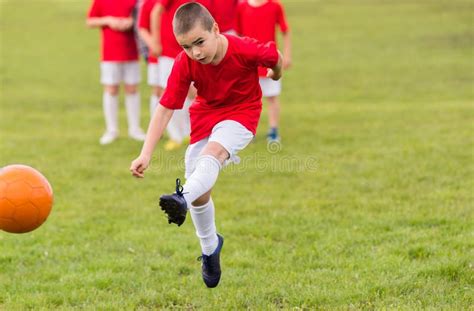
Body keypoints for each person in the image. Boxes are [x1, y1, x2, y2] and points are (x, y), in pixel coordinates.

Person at [130, 2, 282, 288]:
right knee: (201, 190)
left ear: (215, 29)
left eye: (200, 42)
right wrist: (145, 153)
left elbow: (274, 57)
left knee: (212, 155)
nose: (195, 52)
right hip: (204, 118)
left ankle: (181, 198)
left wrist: (276, 74)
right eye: (187, 46)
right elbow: (164, 109)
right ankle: (210, 247)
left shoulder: (244, 49)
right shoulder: (185, 62)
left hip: (242, 114)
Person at [148, 0, 211, 151]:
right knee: (170, 93)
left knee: (197, 92)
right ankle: (175, 136)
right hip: (170, 52)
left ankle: (194, 133)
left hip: (196, 50)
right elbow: (155, 12)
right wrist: (156, 40)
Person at [87, 0, 147, 145]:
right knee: (111, 89)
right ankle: (111, 130)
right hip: (110, 52)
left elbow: (142, 16)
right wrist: (108, 20)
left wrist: (130, 22)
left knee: (132, 89)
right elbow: (90, 21)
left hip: (131, 51)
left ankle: (135, 128)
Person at [236, 0, 291, 143]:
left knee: (272, 97)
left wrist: (287, 54)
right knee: (248, 100)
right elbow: (238, 35)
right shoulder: (242, 7)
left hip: (269, 61)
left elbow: (285, 30)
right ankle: (249, 131)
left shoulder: (275, 6)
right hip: (249, 64)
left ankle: (273, 131)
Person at [138, 0, 163, 118]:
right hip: (157, 54)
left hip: (175, 52)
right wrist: (153, 44)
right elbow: (142, 28)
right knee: (158, 90)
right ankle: (157, 125)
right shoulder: (148, 3)